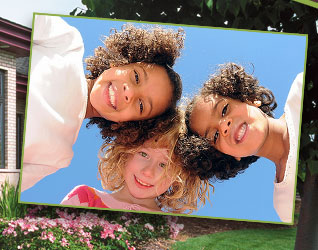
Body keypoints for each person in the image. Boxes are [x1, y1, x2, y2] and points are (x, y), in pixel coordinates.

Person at [21, 14, 184, 192]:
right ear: (123, 62)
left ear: (131, 124)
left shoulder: (57, 155)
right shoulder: (66, 43)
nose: (129, 93)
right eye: (136, 76)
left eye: (141, 105)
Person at [179, 63, 303, 223]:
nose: (224, 125)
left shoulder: (301, 92)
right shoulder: (285, 204)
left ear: (250, 99)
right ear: (229, 156)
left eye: (224, 110)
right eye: (215, 136)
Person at [61, 110, 210, 214]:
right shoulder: (85, 199)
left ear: (179, 178)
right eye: (143, 154)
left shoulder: (177, 228)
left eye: (164, 164)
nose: (148, 171)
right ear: (125, 151)